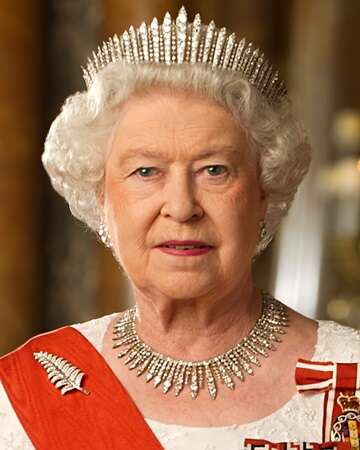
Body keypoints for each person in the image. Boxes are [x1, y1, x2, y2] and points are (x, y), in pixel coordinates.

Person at [1, 6, 359, 450]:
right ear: (101, 196)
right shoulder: (20, 398)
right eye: (146, 172)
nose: (182, 207)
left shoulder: (353, 379)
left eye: (214, 170)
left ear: (264, 191)